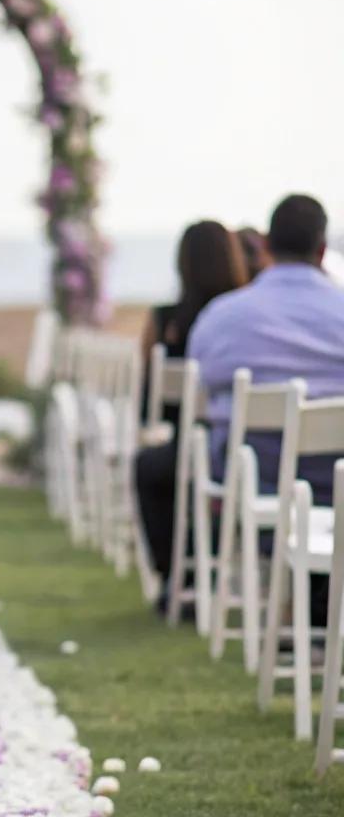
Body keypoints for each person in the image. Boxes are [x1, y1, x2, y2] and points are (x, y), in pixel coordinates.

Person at [188, 194, 344, 503]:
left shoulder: (221, 316)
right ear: (322, 249)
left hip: (249, 484)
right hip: (335, 483)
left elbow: (201, 385)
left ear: (267, 245)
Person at [134, 221, 247, 600]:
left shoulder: (166, 320)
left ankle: (175, 575)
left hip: (194, 450)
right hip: (251, 449)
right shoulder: (243, 318)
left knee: (150, 467)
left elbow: (147, 397)